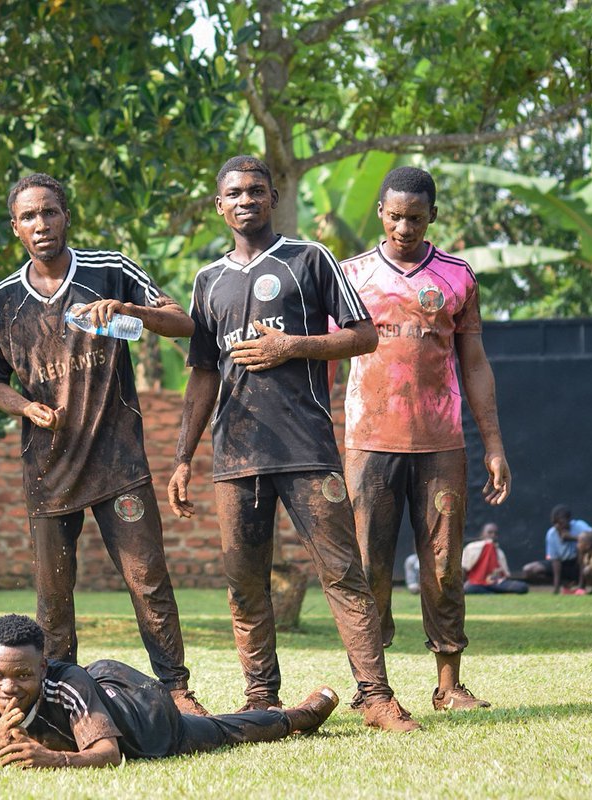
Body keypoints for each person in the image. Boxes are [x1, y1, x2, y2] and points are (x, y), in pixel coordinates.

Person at [167, 155, 419, 732]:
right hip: (235, 457)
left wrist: (291, 348)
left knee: (342, 573)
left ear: (273, 196)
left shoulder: (309, 259)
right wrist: (183, 456)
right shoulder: (208, 281)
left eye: (256, 190)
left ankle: (375, 697)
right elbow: (203, 373)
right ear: (220, 205)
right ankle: (260, 698)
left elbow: (364, 336)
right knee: (244, 580)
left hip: (307, 450)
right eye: (234, 192)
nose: (246, 199)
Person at [0, 173, 206, 716]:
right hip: (48, 469)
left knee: (147, 578)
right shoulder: (3, 301)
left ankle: (177, 689)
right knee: (54, 602)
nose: (41, 224)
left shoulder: (109, 269)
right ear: (16, 227)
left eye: (50, 213)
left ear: (65, 216)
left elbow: (183, 322)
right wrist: (25, 407)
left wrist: (132, 312)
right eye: (29, 217)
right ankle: (61, 701)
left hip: (118, 463)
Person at [339, 166, 511, 713]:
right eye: (394, 216)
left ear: (432, 216)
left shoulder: (458, 276)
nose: (404, 227)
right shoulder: (350, 276)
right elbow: (324, 354)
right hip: (369, 442)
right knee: (368, 567)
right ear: (381, 215)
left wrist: (493, 444)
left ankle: (449, 685)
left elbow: (476, 364)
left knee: (443, 565)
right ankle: (373, 688)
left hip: (441, 444)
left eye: (415, 217)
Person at [0, 614, 339, 768]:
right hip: (103, 694)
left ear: (42, 668)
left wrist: (54, 759)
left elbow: (107, 754)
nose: (7, 687)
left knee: (222, 731)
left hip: (143, 716)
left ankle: (297, 716)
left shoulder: (66, 684)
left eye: (22, 676)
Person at [523, 505, 592, 593]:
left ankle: (581, 587)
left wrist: (572, 538)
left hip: (579, 564)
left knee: (581, 549)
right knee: (529, 570)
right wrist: (556, 588)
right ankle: (566, 584)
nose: (557, 526)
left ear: (569, 520)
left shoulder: (579, 526)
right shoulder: (551, 534)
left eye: (561, 522)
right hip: (564, 564)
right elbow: (556, 561)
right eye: (555, 523)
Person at [461, 524, 527, 595]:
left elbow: (506, 574)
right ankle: (492, 593)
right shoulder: (472, 547)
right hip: (475, 583)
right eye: (490, 532)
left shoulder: (499, 552)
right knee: (468, 588)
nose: (493, 535)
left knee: (522, 587)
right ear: (482, 534)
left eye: (495, 533)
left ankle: (490, 592)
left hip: (495, 583)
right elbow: (464, 568)